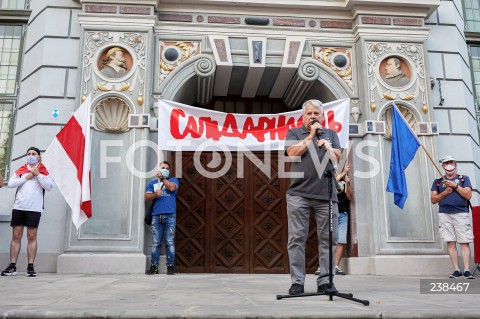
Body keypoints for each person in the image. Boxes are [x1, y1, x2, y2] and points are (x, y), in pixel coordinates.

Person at [285, 99, 341, 295]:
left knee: (328, 239)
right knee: (296, 238)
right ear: (303, 117)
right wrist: (310, 136)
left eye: (316, 113)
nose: (313, 116)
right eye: (309, 113)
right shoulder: (294, 133)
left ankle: (326, 280)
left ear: (323, 116)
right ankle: (297, 282)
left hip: (326, 194)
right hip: (298, 195)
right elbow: (292, 153)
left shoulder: (332, 134)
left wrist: (327, 146)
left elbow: (338, 157)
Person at [1, 147, 54, 277]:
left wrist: (38, 175)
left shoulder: (43, 171)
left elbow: (49, 187)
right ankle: (12, 266)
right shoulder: (21, 170)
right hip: (19, 207)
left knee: (32, 237)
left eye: (33, 154)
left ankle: (30, 266)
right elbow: (11, 184)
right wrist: (28, 176)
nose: (30, 156)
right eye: (29, 154)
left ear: (38, 156)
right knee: (16, 236)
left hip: (34, 209)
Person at [430, 155, 474, 279]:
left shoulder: (463, 179)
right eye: (447, 163)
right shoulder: (438, 182)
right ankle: (456, 270)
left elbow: (468, 195)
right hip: (444, 214)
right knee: (451, 242)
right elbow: (433, 199)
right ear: (443, 166)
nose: (449, 165)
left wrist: (454, 186)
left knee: (464, 242)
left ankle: (466, 270)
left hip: (461, 213)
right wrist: (445, 192)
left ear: (455, 165)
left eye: (451, 163)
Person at [315, 163, 352, 276]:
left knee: (341, 240)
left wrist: (346, 183)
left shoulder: (343, 180)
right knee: (327, 239)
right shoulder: (328, 181)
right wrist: (343, 173)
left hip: (343, 214)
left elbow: (350, 197)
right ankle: (322, 267)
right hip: (329, 213)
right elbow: (331, 188)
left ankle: (335, 266)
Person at [145, 161, 179, 275]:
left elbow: (172, 188)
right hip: (156, 216)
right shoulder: (153, 183)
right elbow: (147, 196)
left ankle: (170, 267)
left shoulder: (173, 180)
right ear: (158, 169)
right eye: (163, 168)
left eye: (167, 168)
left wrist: (163, 178)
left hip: (170, 215)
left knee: (169, 242)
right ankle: (154, 267)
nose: (165, 169)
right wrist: (155, 194)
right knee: (156, 243)